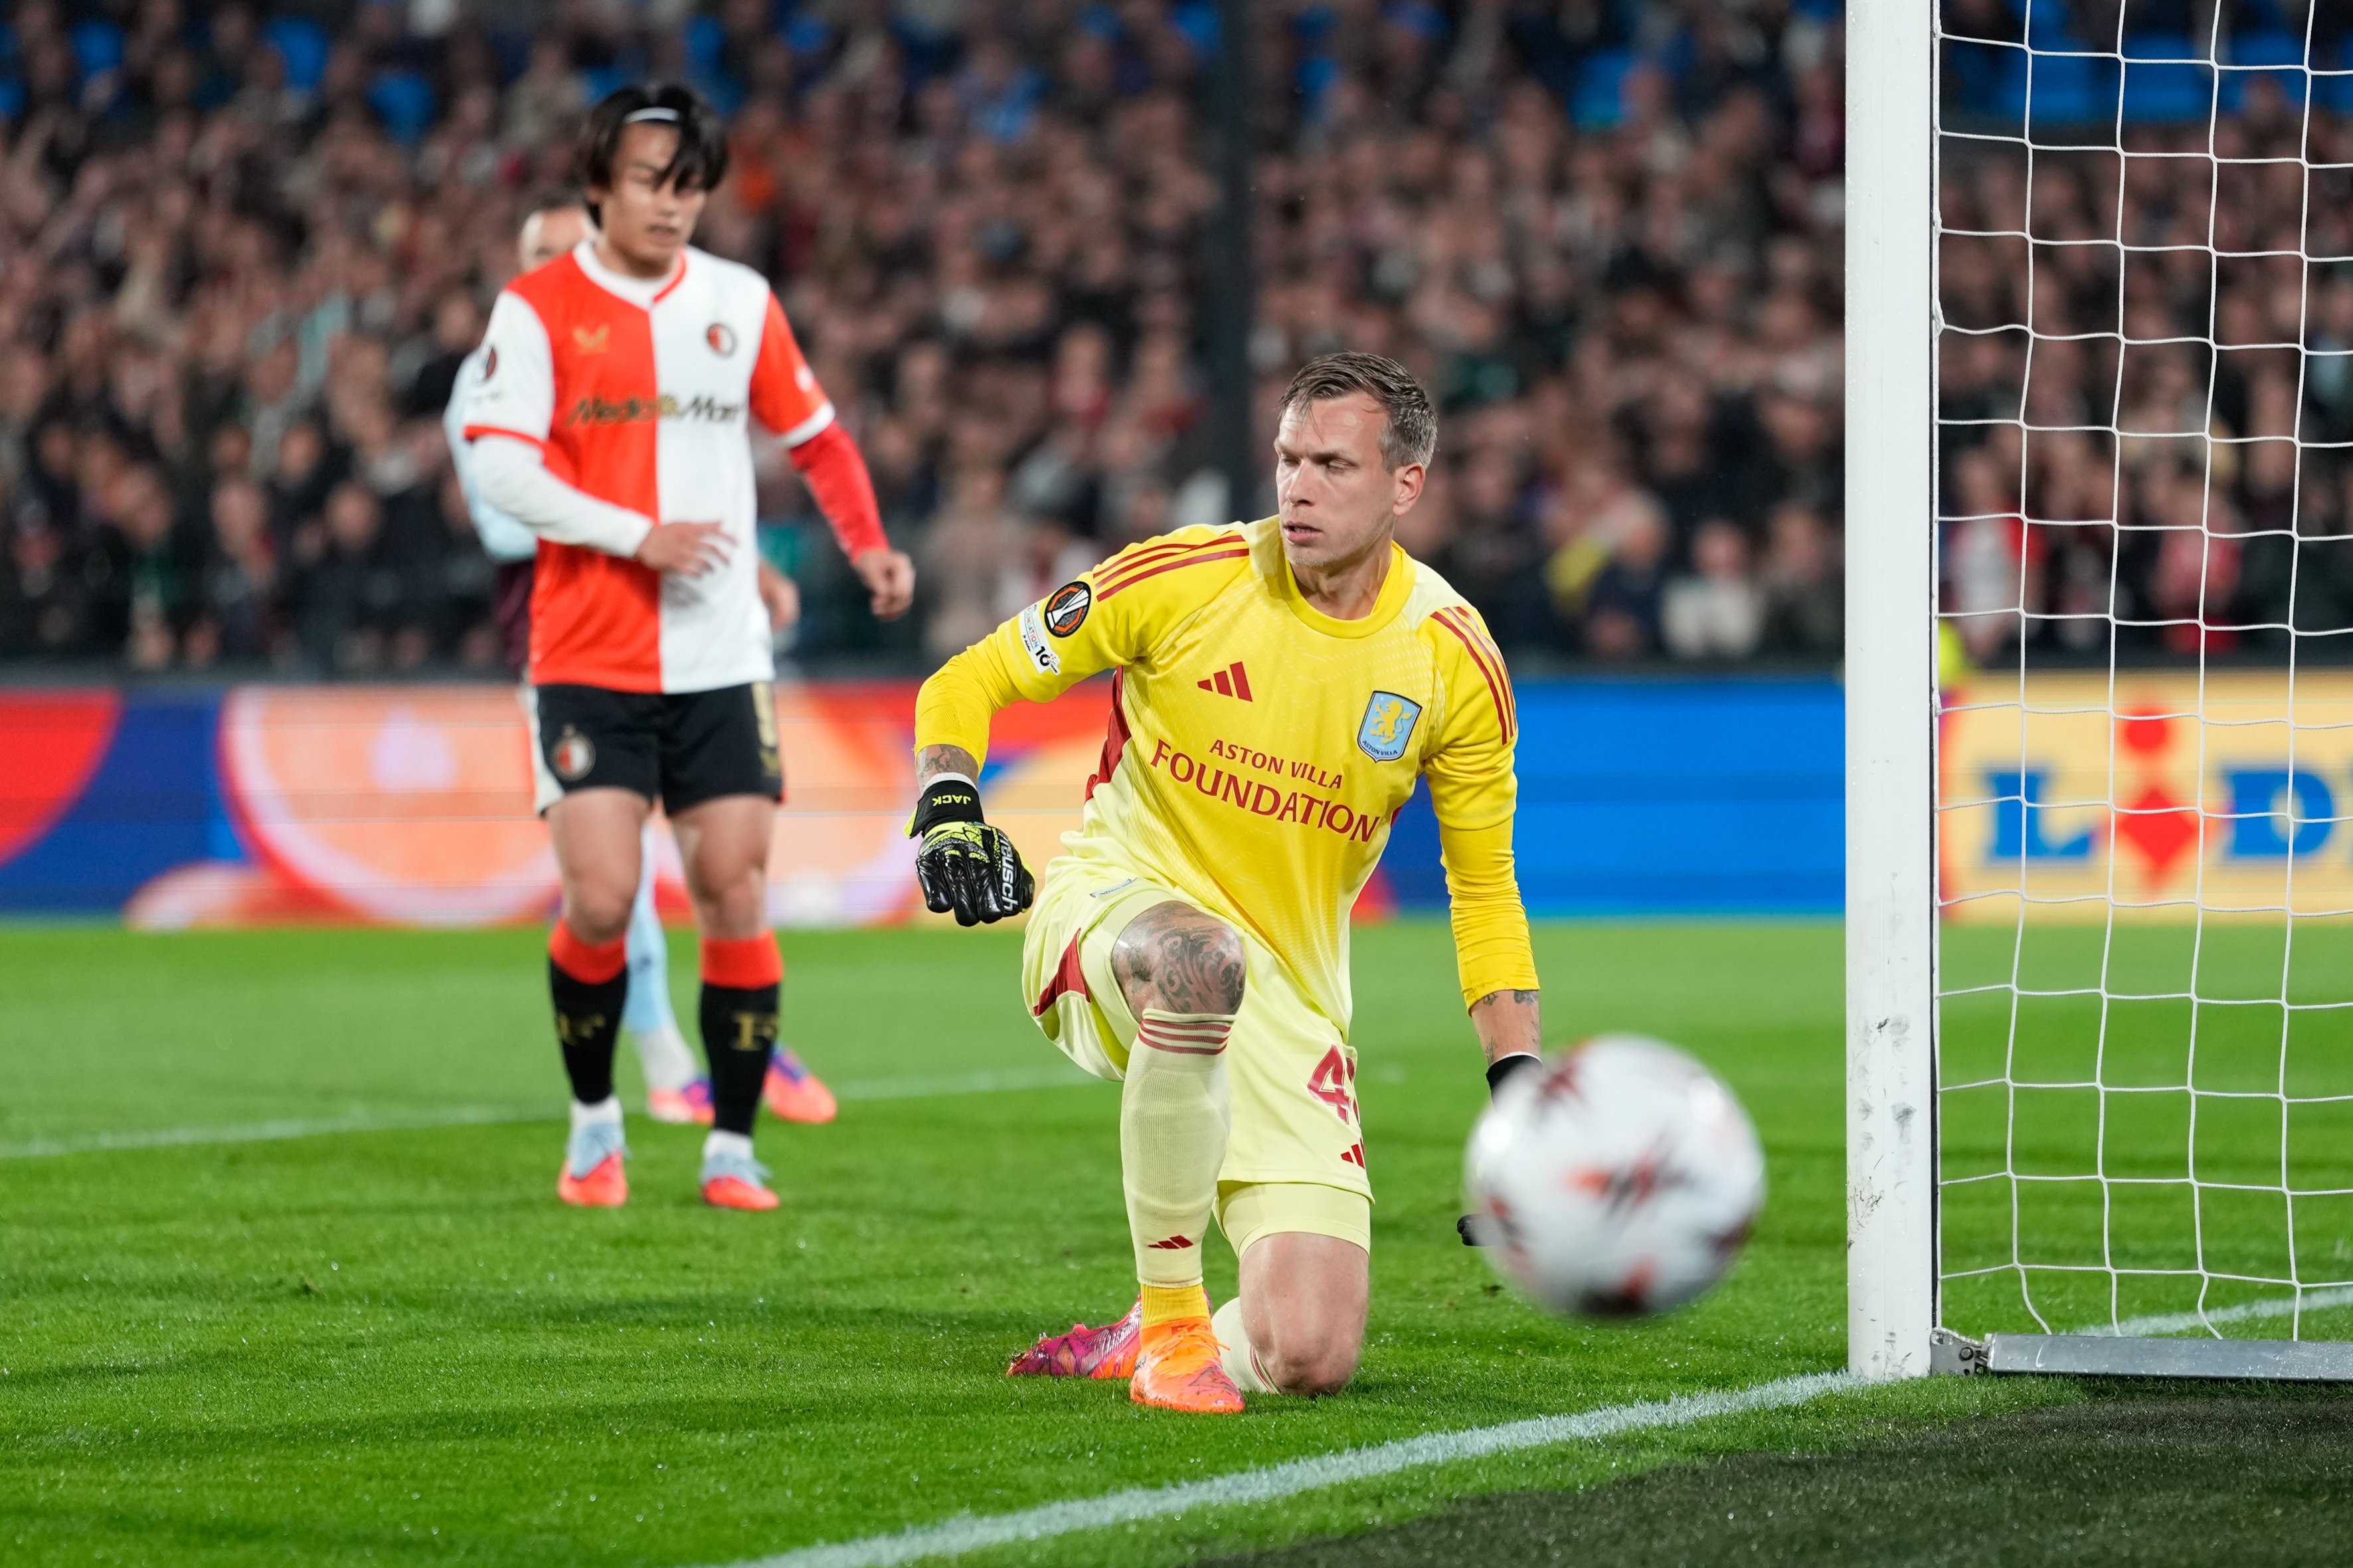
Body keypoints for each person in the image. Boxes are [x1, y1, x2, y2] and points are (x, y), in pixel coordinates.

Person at [908, 353, 1539, 1412]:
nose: (1297, 485)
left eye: (1333, 464)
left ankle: (1153, 1332)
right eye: (1289, 458)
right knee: (1201, 960)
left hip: (1289, 991)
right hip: (1117, 910)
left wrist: (1522, 1097)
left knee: (1312, 1351)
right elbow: (968, 677)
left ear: (1405, 485)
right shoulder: (1184, 577)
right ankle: (1169, 1325)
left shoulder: (1452, 661)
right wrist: (948, 802)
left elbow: (1485, 889)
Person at [462, 84, 912, 1211]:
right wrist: (636, 535)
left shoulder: (741, 302)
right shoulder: (537, 308)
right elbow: (503, 469)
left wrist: (868, 546)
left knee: (735, 889)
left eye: (691, 186)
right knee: (605, 900)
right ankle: (594, 1121)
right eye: (653, 184)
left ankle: (731, 1145)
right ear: (599, 186)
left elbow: (815, 436)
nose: (675, 206)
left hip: (721, 655)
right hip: (587, 656)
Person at [445, 189, 840, 1132]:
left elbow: (689, 482)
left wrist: (739, 566)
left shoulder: (645, 345)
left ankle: (725, 1047)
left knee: (719, 867)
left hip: (692, 637)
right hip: (569, 639)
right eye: (547, 252)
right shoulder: (497, 374)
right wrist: (623, 520)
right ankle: (661, 1060)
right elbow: (508, 513)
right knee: (609, 875)